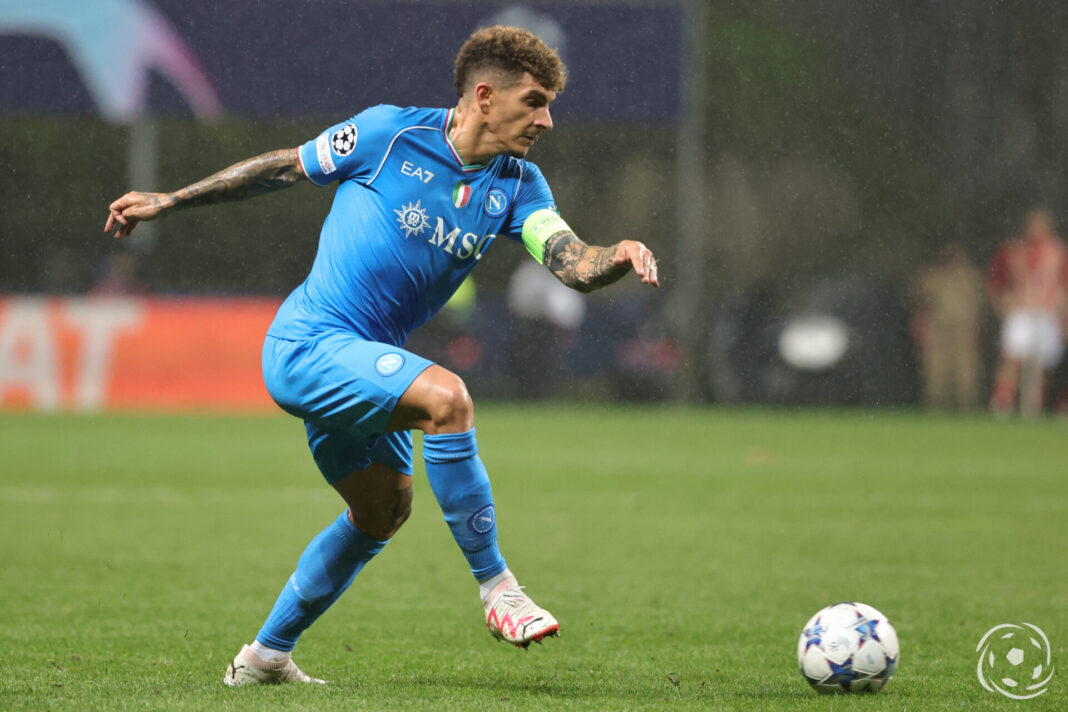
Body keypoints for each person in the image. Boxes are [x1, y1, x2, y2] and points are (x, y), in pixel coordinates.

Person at [104, 26, 659, 686]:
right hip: (308, 344)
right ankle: (498, 589)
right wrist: (170, 200)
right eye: (535, 101)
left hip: (366, 359)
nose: (546, 119)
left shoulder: (518, 184)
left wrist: (614, 258)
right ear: (485, 96)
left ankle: (264, 659)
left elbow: (568, 260)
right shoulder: (388, 136)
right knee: (448, 399)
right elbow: (285, 166)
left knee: (380, 515)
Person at [986, 209, 1068, 416]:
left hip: (1048, 314)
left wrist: (1062, 309)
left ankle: (1036, 404)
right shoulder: (1014, 250)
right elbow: (996, 281)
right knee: (1013, 356)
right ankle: (1003, 402)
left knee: (1045, 362)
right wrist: (1002, 303)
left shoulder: (1058, 251)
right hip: (1021, 312)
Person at [910, 243, 984, 411]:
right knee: (936, 372)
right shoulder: (933, 277)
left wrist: (975, 329)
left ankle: (966, 409)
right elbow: (921, 304)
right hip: (939, 330)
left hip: (963, 329)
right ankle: (936, 408)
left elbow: (977, 306)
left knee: (965, 372)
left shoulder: (969, 277)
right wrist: (921, 327)